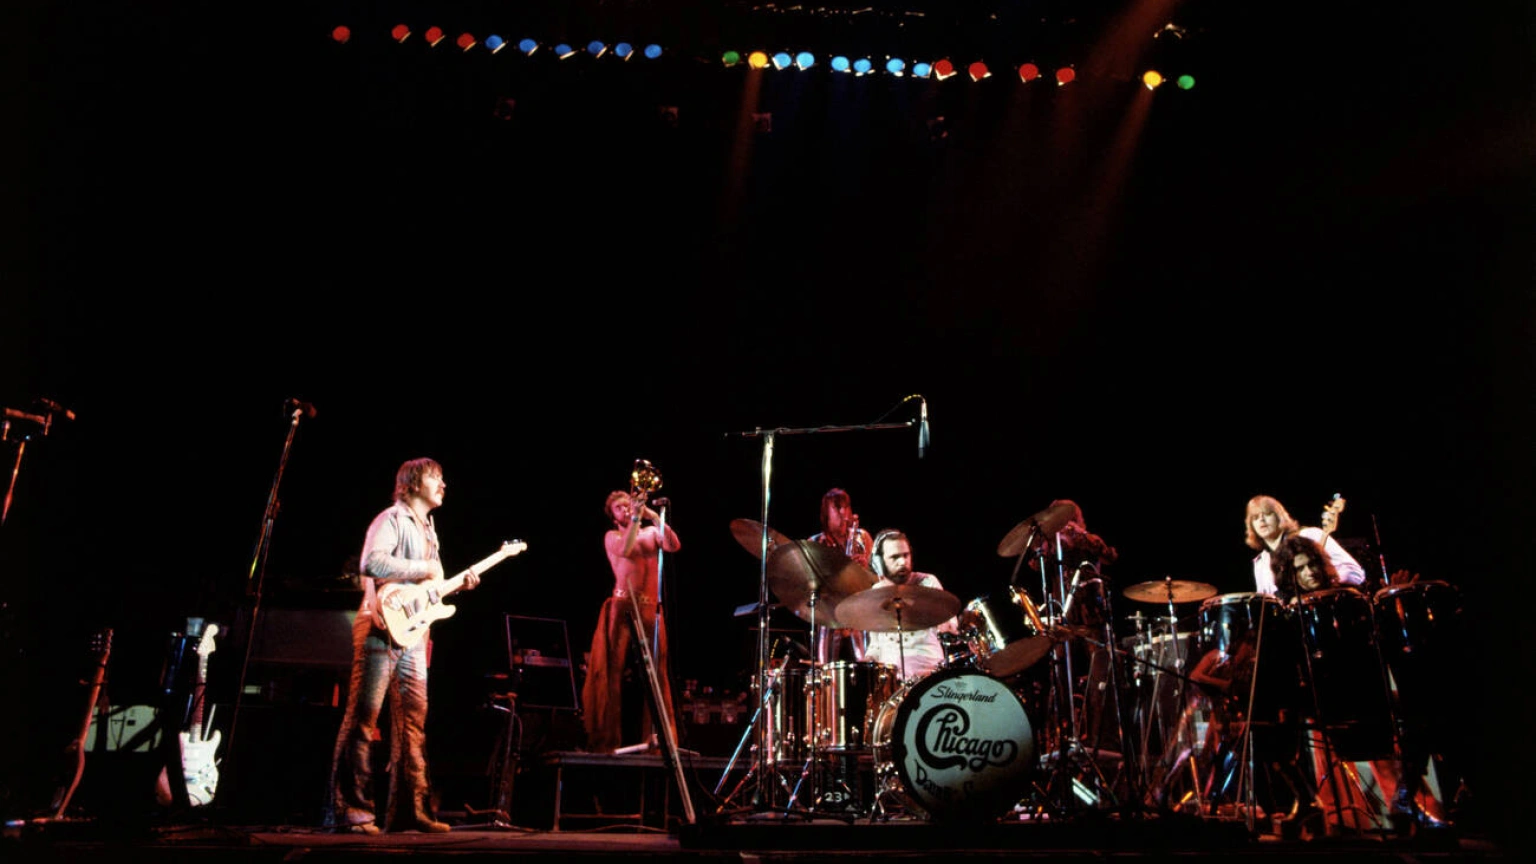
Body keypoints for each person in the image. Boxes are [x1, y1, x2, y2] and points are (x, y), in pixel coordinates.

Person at [326, 457, 475, 834]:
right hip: (379, 628)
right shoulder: (390, 518)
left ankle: (411, 812)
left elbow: (429, 588)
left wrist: (456, 584)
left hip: (413, 633)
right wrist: (425, 569)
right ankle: (352, 811)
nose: (443, 484)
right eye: (436, 478)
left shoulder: (430, 530)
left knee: (413, 722)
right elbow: (371, 563)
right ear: (413, 483)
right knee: (364, 718)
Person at [581, 489, 682, 754]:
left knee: (657, 673)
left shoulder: (650, 533)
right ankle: (605, 741)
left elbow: (673, 545)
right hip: (623, 605)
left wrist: (652, 515)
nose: (625, 509)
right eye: (619, 508)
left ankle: (660, 741)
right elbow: (626, 550)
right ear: (613, 517)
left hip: (650, 607)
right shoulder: (612, 536)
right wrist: (636, 518)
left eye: (628, 505)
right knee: (611, 673)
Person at [855, 530, 959, 682]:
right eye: (895, 557)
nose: (903, 562)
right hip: (892, 678)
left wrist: (947, 626)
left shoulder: (927, 583)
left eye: (906, 555)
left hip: (929, 672)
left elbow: (951, 626)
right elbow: (876, 646)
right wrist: (866, 662)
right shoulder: (875, 593)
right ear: (879, 563)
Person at [1245, 495, 1365, 596]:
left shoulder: (1310, 535)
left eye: (1267, 514)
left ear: (1279, 517)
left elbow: (1354, 573)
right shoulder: (1260, 563)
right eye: (1255, 518)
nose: (1261, 520)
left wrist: (1325, 583)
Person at [807, 488, 875, 664]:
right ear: (826, 514)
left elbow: (878, 578)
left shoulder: (863, 537)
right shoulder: (815, 543)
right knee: (825, 669)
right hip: (829, 616)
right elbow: (808, 583)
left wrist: (866, 567)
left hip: (860, 615)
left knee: (868, 667)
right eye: (837, 508)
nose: (844, 512)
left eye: (846, 507)